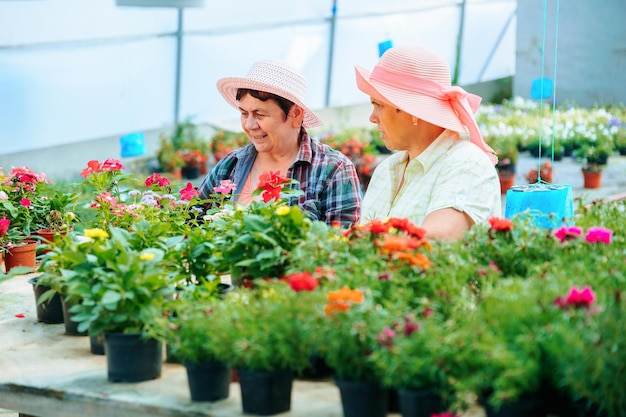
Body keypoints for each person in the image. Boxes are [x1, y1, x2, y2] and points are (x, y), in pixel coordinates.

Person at [354, 46, 501, 240]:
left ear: (412, 111)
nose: (373, 118)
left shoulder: (466, 163)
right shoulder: (386, 169)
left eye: (379, 106)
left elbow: (439, 238)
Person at [198, 59, 362, 227]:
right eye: (244, 114)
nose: (249, 125)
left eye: (260, 114)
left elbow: (341, 244)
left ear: (296, 115)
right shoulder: (230, 164)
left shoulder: (334, 170)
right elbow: (191, 222)